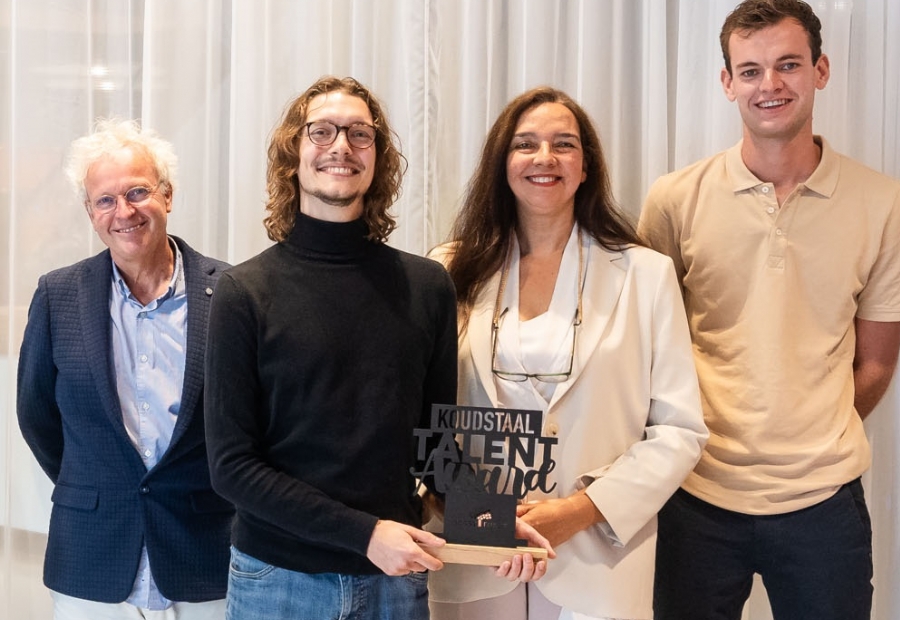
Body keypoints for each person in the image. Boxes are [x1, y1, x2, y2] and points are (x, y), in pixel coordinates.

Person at [203, 76, 549, 620]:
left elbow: (436, 451)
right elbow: (232, 467)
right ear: (293, 155)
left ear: (378, 158)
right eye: (321, 131)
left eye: (359, 134)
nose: (341, 146)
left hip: (395, 579)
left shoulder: (427, 285)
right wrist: (366, 535)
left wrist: (493, 523)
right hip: (278, 581)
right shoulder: (243, 292)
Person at [637, 1, 900, 618]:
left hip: (825, 504)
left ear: (820, 70)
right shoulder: (673, 199)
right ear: (726, 82)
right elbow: (646, 350)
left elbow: (876, 362)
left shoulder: (883, 202)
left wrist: (809, 431)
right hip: (694, 495)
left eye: (788, 65)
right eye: (750, 70)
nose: (770, 85)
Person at [427, 86, 708, 620]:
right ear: (501, 163)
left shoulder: (645, 275)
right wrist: (488, 517)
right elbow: (423, 416)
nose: (544, 158)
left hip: (596, 555)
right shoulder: (447, 269)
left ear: (586, 168)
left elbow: (679, 430)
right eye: (525, 144)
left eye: (564, 144)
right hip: (475, 553)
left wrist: (576, 513)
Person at [16, 119, 233, 619]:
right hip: (91, 557)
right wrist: (96, 482)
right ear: (90, 212)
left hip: (204, 556)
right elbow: (37, 417)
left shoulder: (233, 293)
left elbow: (253, 423)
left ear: (168, 195)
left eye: (138, 192)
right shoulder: (57, 296)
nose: (124, 212)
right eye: (105, 200)